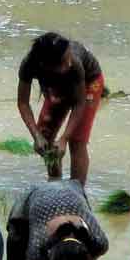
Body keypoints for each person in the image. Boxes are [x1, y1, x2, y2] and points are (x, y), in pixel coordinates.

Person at [17, 33, 103, 185]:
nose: (68, 63)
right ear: (45, 65)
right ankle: (55, 184)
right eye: (63, 62)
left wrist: (64, 138)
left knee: (76, 140)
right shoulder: (29, 65)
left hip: (88, 83)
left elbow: (78, 104)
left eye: (68, 57)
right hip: (56, 85)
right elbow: (23, 103)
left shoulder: (74, 64)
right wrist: (36, 135)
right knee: (45, 135)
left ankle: (77, 191)